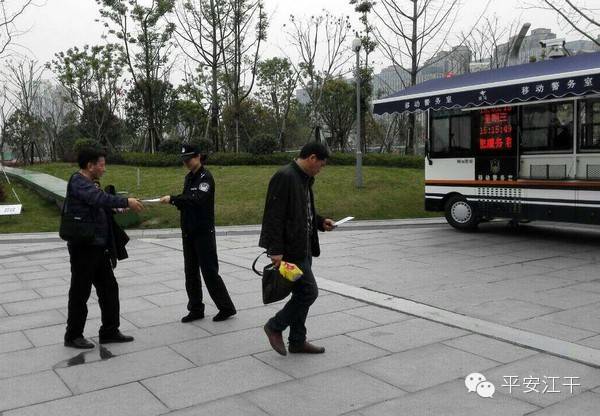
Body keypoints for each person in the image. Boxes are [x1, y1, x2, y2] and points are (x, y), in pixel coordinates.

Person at [260, 141, 335, 356]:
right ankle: (275, 326)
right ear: (312, 158)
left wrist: (321, 222)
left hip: (304, 246)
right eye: (320, 165)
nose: (320, 170)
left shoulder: (304, 179)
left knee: (302, 292)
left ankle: (297, 340)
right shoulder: (285, 176)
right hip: (290, 250)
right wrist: (274, 250)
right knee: (309, 292)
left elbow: (303, 212)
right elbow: (273, 215)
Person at [64, 148, 144, 349]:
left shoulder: (91, 184)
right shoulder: (78, 182)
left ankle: (109, 331)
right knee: (80, 291)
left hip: (99, 246)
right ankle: (73, 335)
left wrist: (119, 206)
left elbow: (102, 203)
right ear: (90, 165)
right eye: (102, 164)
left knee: (109, 288)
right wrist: (125, 200)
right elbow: (98, 199)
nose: (104, 168)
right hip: (84, 246)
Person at [160, 144, 236, 323]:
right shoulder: (189, 178)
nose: (187, 162)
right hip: (189, 232)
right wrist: (177, 201)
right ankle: (195, 308)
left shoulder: (205, 177)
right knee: (190, 272)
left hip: (203, 232)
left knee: (209, 272)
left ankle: (226, 307)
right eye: (184, 160)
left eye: (190, 158)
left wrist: (173, 199)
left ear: (199, 157)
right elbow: (187, 202)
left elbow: (197, 200)